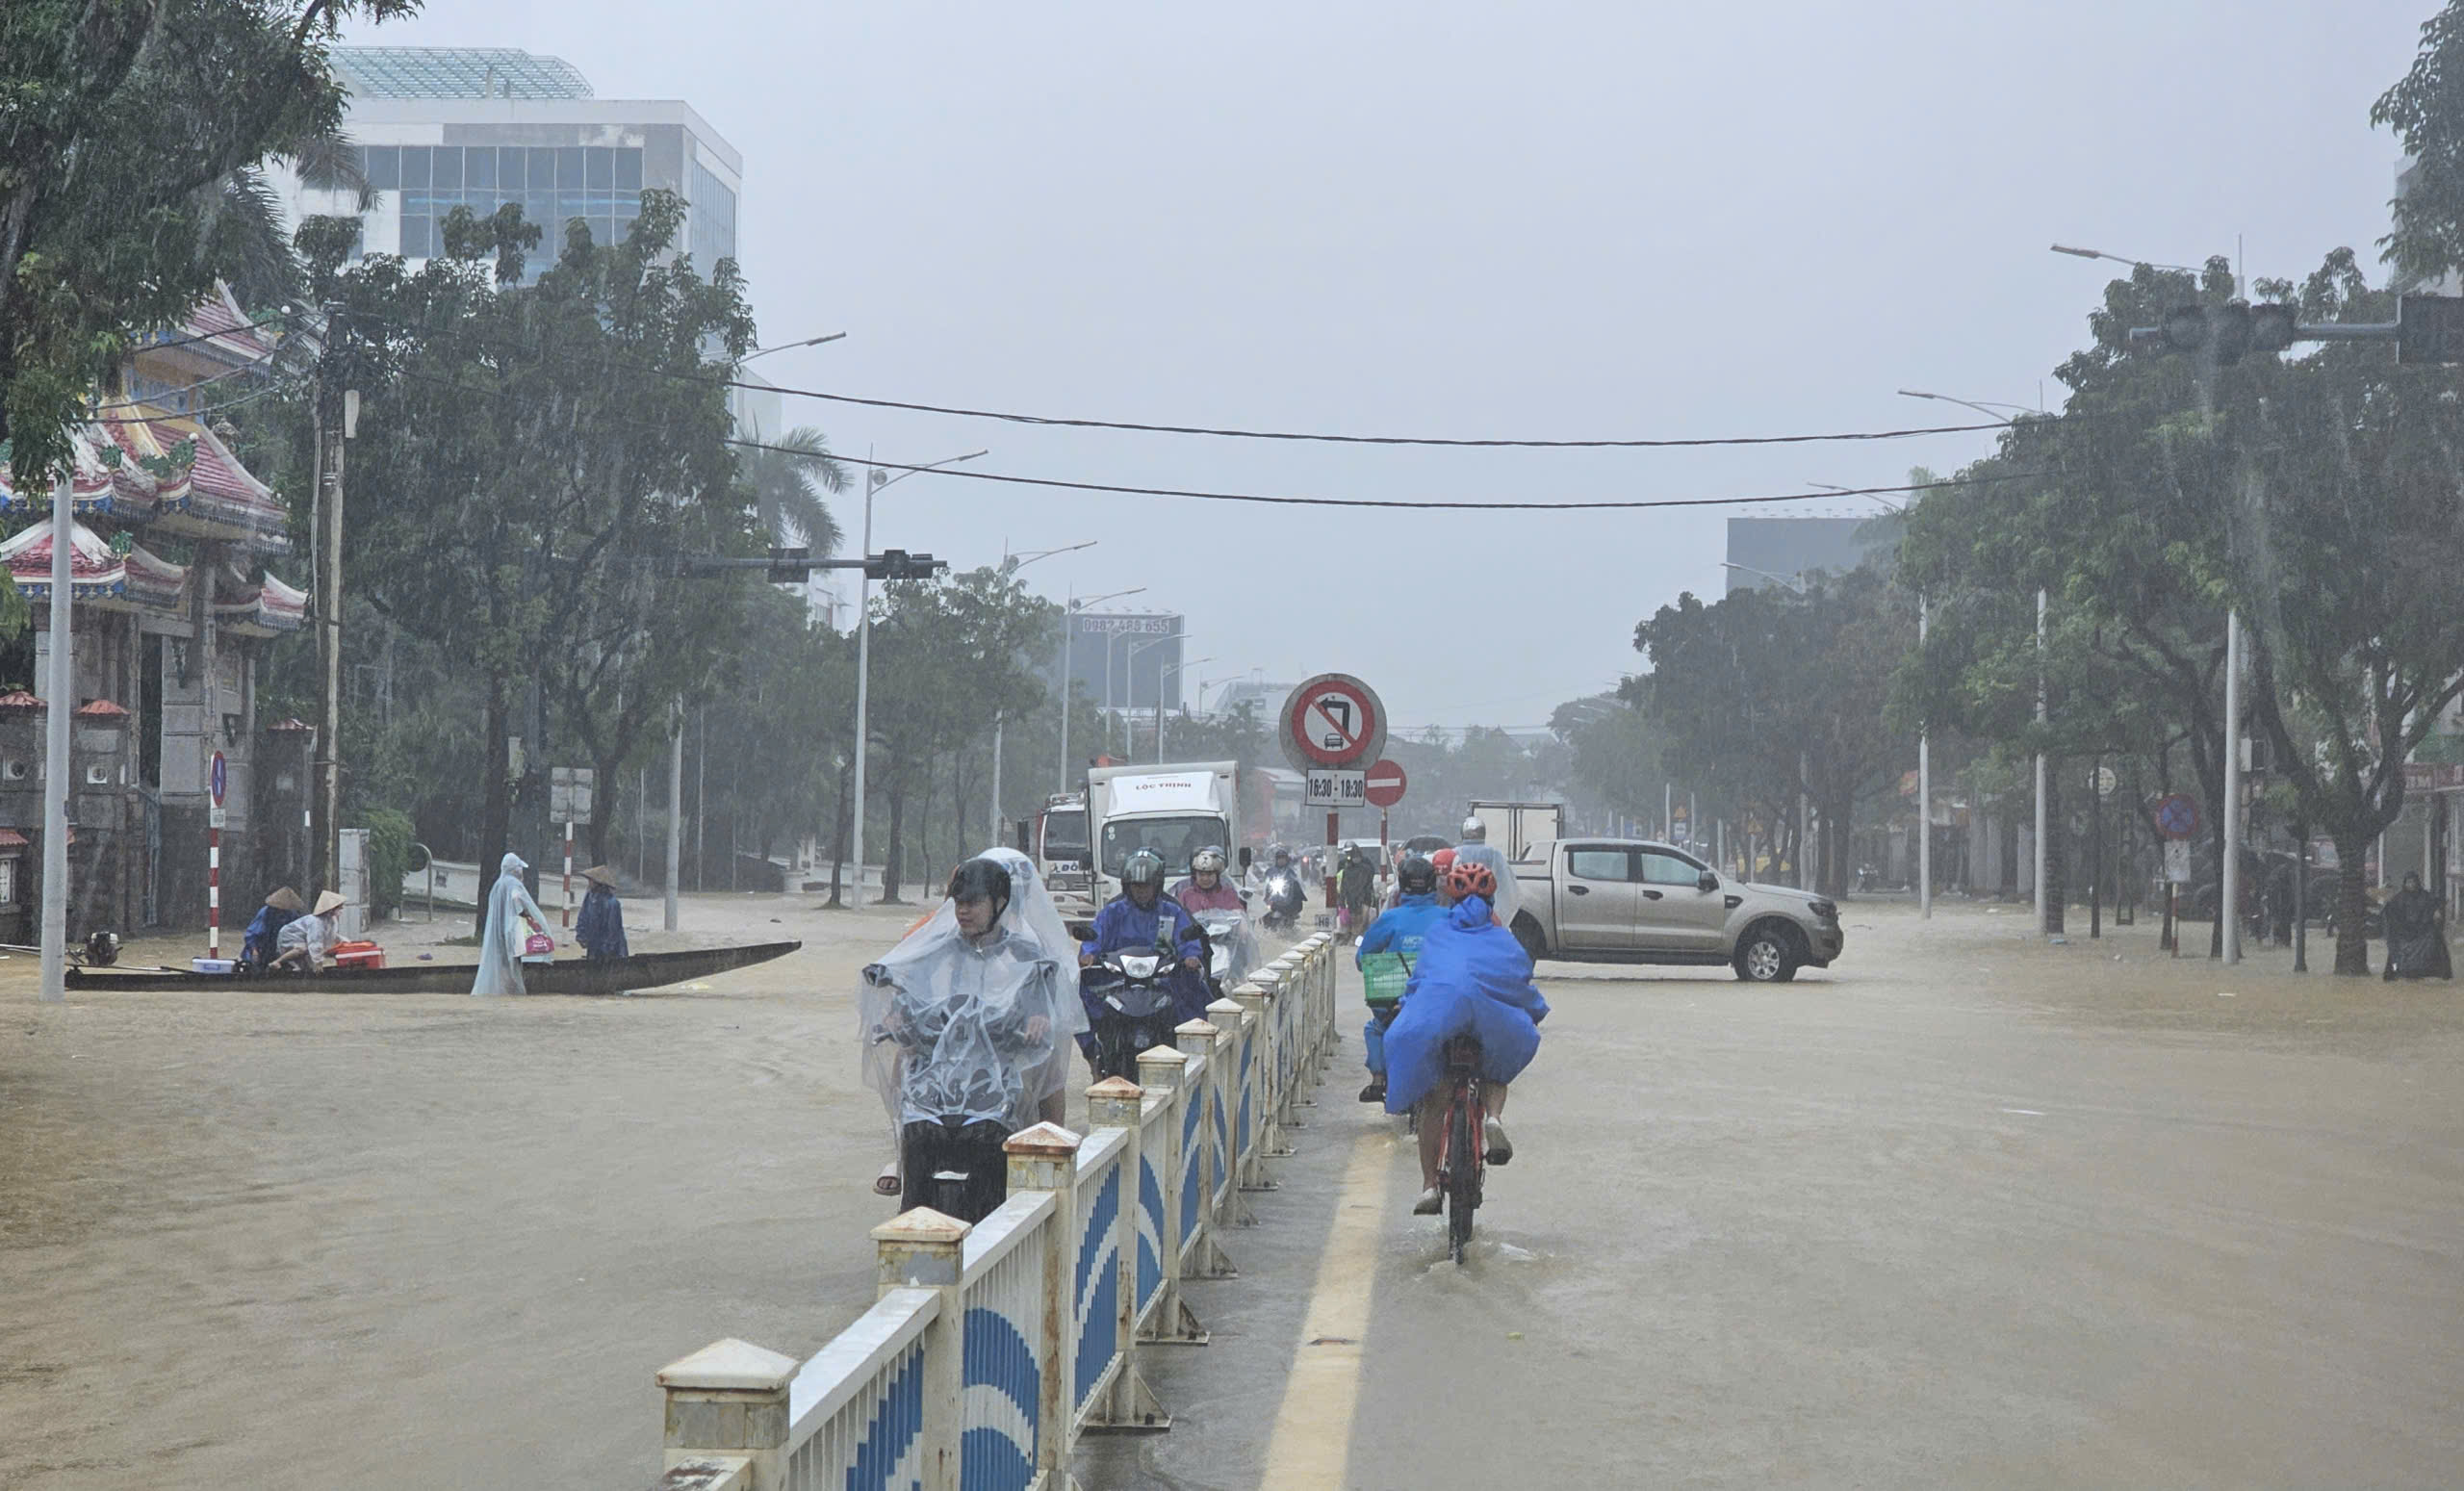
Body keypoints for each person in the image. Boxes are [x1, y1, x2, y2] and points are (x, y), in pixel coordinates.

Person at [862, 858, 1066, 1216]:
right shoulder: (935, 947)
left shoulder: (1025, 953)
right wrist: (895, 1010)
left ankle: (1048, 1161)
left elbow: (1042, 987)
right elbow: (908, 976)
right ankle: (909, 1206)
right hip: (940, 1071)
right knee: (916, 1129)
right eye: (958, 903)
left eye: (973, 903)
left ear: (999, 903)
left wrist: (1038, 1018)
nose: (963, 911)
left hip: (993, 1073)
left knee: (1010, 1121)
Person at [1382, 856, 1548, 1215]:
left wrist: (1406, 1005)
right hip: (1492, 1019)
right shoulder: (1502, 938)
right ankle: (1493, 1118)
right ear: (1491, 902)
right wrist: (1535, 1012)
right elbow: (1521, 985)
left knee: (1435, 1100)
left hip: (1441, 1014)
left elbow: (1419, 983)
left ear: (1451, 900)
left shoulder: (1439, 934)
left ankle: (1429, 1186)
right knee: (1497, 1069)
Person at [1080, 847, 1210, 1034]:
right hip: (1118, 980)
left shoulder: (1172, 911)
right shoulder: (1113, 911)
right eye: (1136, 886)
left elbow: (1186, 938)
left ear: (1156, 885)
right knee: (1079, 992)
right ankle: (1094, 1052)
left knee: (1198, 996)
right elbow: (1095, 936)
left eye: (1146, 885)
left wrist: (1191, 956)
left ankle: (1196, 1048)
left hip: (1163, 980)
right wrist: (1088, 953)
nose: (1141, 891)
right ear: (1127, 885)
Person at [1354, 854, 1446, 1103]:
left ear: (1402, 886)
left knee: (1375, 1029)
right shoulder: (1448, 917)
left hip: (1397, 1002)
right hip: (1441, 999)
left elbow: (1364, 959)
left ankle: (1378, 1080)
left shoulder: (1389, 919)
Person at [472, 852, 552, 996]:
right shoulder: (514, 884)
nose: (522, 872)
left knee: (502, 966)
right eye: (520, 869)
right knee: (512, 969)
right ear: (515, 869)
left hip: (498, 935)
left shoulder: (498, 885)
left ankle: (501, 995)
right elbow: (521, 903)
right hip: (511, 934)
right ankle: (513, 996)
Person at [2382, 871, 2453, 981]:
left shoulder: (2424, 895)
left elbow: (2435, 903)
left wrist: (2437, 910)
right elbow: (2391, 912)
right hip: (2404, 930)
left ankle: (2434, 971)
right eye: (2408, 882)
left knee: (2435, 938)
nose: (2411, 885)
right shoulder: (2399, 897)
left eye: (2413, 882)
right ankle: (2396, 970)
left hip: (2422, 929)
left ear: (2417, 883)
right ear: (2405, 883)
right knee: (2395, 947)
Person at [270, 889, 346, 972]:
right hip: (290, 935)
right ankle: (277, 962)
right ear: (331, 908)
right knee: (302, 949)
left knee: (305, 967)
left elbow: (331, 935)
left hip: (303, 937)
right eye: (339, 907)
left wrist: (343, 942)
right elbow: (315, 941)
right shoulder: (316, 922)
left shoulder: (331, 920)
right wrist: (318, 961)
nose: (341, 909)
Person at [575, 865, 629, 961]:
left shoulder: (612, 903)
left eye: (591, 881)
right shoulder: (590, 897)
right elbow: (583, 917)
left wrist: (607, 950)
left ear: (598, 883)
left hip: (611, 951)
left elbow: (613, 931)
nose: (589, 883)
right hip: (594, 947)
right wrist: (581, 935)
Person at [242, 886, 304, 967]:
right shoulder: (265, 912)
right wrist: (254, 950)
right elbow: (252, 933)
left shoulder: (291, 914)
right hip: (263, 947)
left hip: (280, 949)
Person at [1170, 845, 1245, 914]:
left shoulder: (1229, 894)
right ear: (1195, 875)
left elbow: (1240, 916)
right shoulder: (1186, 895)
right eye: (1201, 874)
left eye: (1210, 874)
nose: (1205, 878)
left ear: (1217, 875)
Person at [1337, 845, 1376, 938]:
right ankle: (1354, 936)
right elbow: (1343, 886)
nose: (1356, 859)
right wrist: (1342, 900)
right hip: (1352, 898)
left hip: (1364, 897)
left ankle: (1358, 936)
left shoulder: (1366, 868)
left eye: (1357, 856)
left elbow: (1369, 883)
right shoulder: (1346, 869)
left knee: (1363, 919)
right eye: (1354, 856)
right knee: (1354, 919)